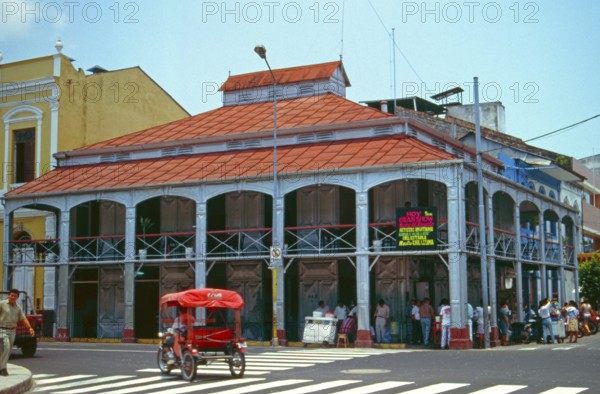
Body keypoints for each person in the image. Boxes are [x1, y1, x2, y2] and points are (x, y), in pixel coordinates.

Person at [0, 289, 35, 376]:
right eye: (11, 295)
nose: (12, 297)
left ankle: (2, 367)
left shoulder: (18, 307)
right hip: (2, 329)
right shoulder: (2, 304)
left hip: (12, 330)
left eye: (15, 296)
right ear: (9, 295)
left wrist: (30, 328)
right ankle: (2, 368)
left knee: (8, 351)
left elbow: (23, 318)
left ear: (17, 297)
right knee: (6, 347)